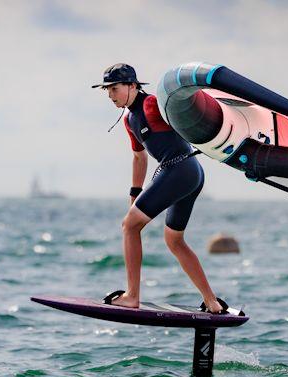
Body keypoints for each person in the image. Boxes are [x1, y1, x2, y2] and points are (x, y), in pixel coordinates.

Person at [93, 63, 226, 314]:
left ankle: (132, 295)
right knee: (174, 240)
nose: (110, 94)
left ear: (132, 85)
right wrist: (134, 194)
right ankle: (212, 301)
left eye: (114, 88)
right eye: (106, 90)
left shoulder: (152, 103)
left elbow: (186, 115)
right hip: (187, 173)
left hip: (180, 169)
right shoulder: (129, 119)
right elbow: (139, 158)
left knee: (130, 226)